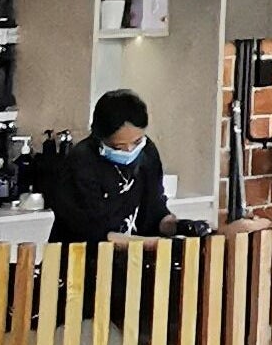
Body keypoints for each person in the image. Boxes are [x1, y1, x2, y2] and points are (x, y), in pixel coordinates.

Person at [40, 90, 203, 244]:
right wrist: (148, 244)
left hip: (132, 261)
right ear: (101, 138)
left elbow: (154, 212)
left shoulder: (147, 153)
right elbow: (93, 233)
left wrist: (179, 226)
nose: (130, 150)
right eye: (119, 147)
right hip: (80, 260)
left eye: (137, 142)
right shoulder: (81, 162)